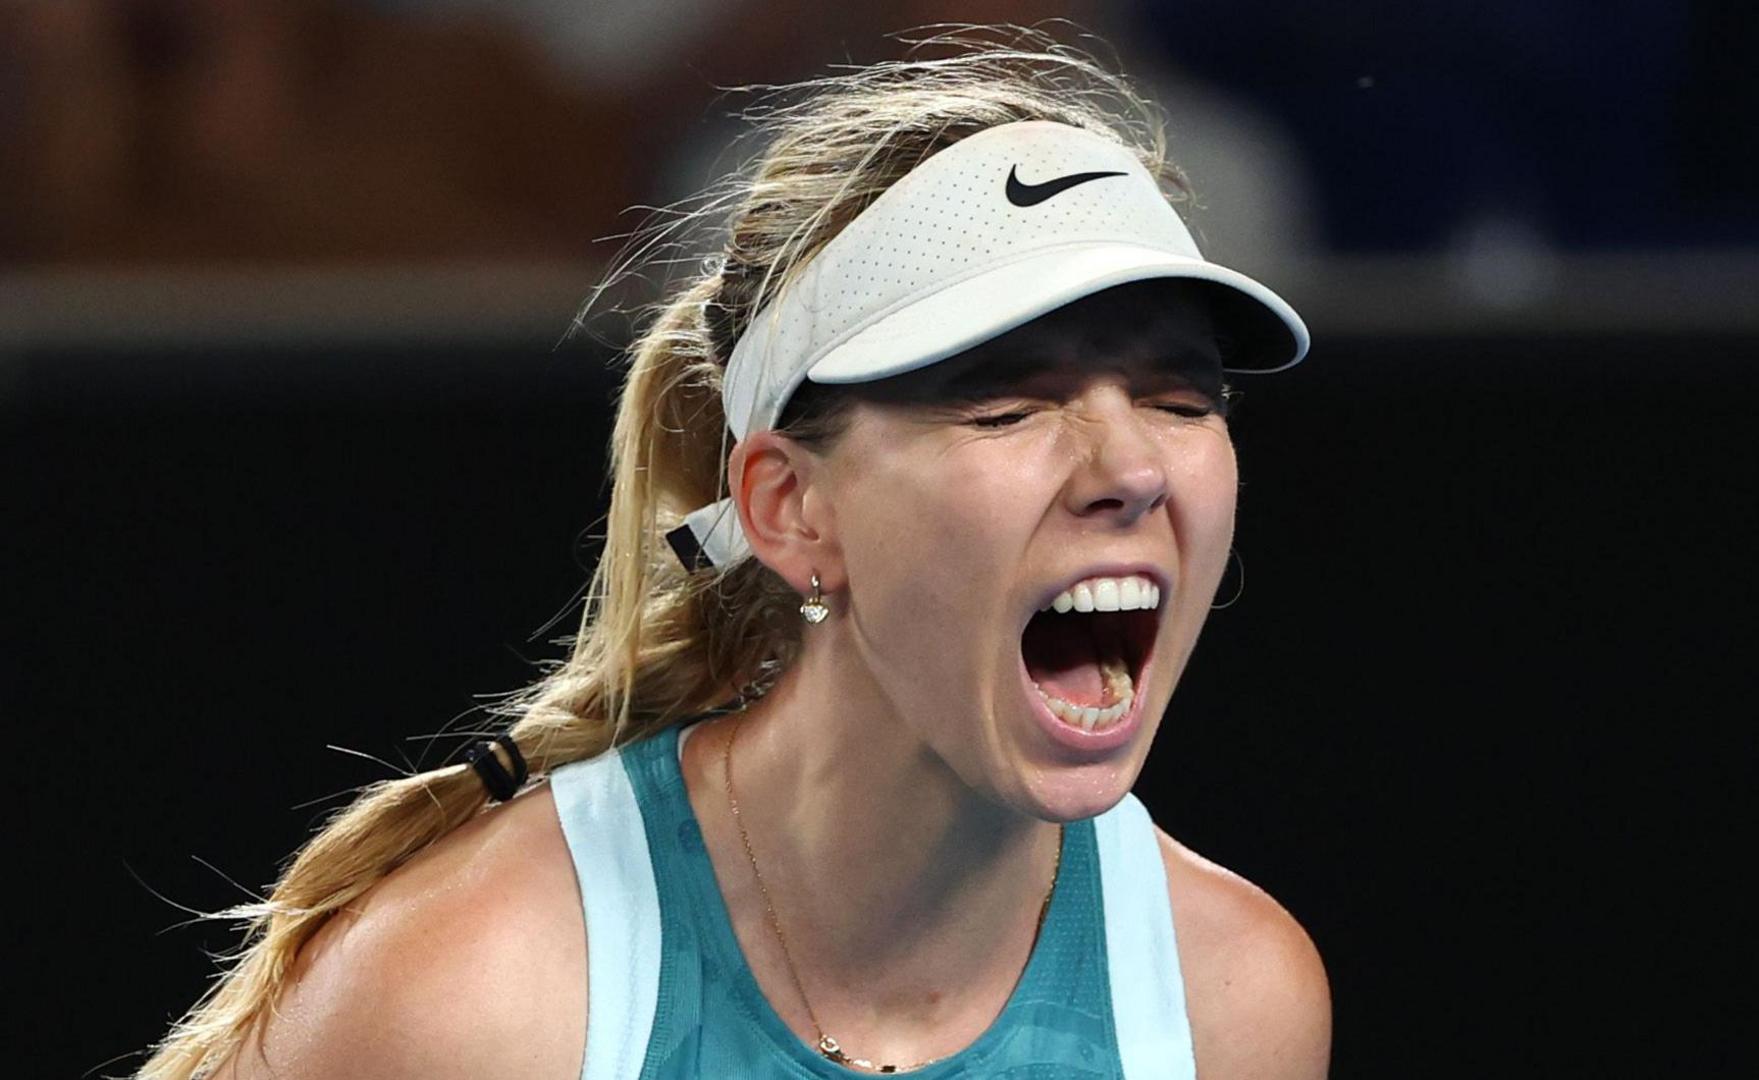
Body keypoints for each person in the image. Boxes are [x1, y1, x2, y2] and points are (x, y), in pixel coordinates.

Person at [139, 32, 1332, 1080]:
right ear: (790, 508)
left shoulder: (1232, 1002)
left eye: (1184, 398)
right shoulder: (480, 997)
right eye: (1007, 406)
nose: (1131, 467)